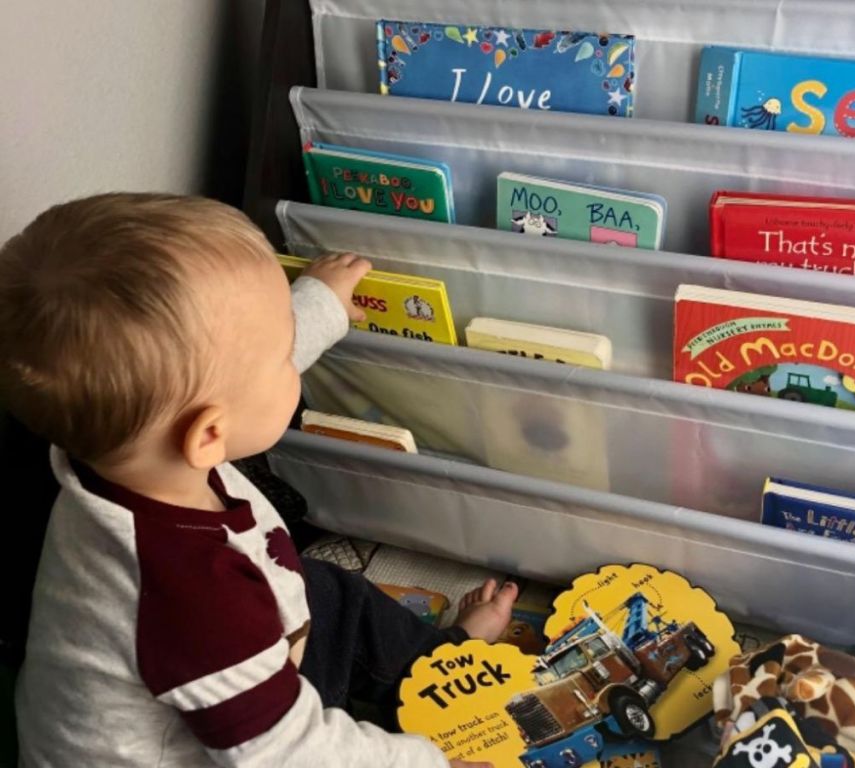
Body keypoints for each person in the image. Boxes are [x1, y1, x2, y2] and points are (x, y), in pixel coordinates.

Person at [1, 193, 517, 767]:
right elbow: (284, 752)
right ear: (209, 436)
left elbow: (231, 371)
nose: (289, 352)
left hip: (229, 650)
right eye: (281, 350)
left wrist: (319, 302)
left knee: (326, 589)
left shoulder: (127, 451)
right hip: (222, 750)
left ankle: (443, 661)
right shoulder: (196, 596)